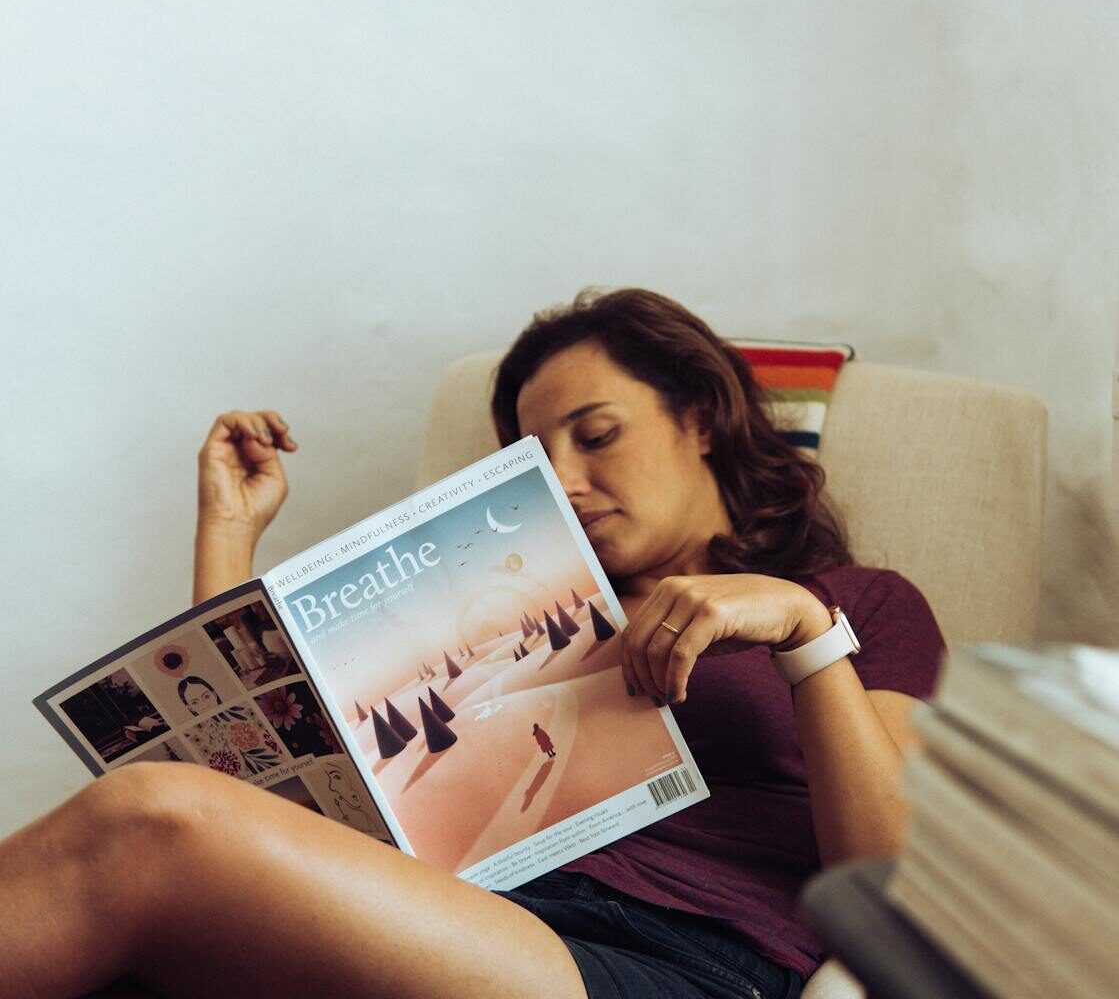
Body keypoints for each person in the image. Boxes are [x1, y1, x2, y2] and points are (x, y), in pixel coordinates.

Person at [2, 287, 944, 999]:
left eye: (598, 435)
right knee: (149, 924)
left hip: (676, 955)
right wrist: (228, 534)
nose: (568, 480)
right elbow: (273, 787)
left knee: (149, 820)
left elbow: (889, 876)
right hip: (469, 914)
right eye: (539, 461)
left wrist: (803, 631)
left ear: (698, 416)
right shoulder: (519, 611)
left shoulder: (854, 603)